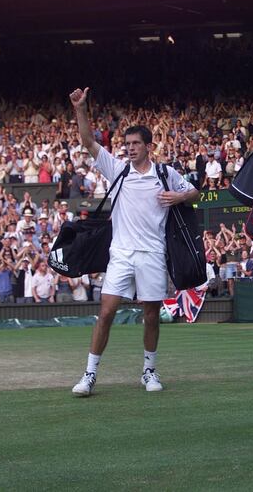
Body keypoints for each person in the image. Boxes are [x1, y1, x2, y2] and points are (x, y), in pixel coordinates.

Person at [68, 86, 199, 397]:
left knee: (151, 315)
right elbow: (87, 142)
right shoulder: (117, 170)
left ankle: (149, 371)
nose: (129, 148)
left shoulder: (166, 174)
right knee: (107, 311)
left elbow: (194, 193)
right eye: (126, 144)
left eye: (135, 143)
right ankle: (89, 374)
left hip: (154, 253)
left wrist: (179, 195)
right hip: (122, 254)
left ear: (148, 146)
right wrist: (80, 109)